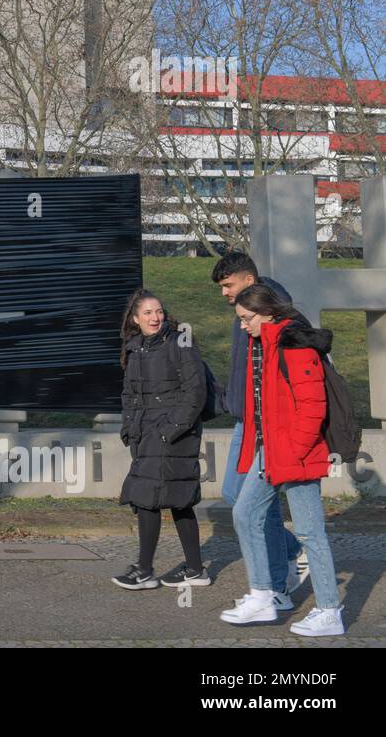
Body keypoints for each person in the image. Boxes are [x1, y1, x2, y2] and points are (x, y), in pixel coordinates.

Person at [221, 283, 344, 636]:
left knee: (310, 532)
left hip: (296, 454)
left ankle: (330, 611)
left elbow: (313, 406)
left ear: (267, 312)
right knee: (244, 512)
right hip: (271, 451)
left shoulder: (294, 343)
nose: (243, 326)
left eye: (246, 319)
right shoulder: (265, 343)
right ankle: (264, 594)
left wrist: (292, 451)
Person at [212, 250, 305, 607]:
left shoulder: (269, 311)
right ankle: (293, 548)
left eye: (227, 285)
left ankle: (276, 585)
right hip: (244, 420)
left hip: (264, 424)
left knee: (252, 503)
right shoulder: (246, 313)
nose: (224, 293)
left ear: (249, 280)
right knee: (236, 496)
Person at [112, 289, 210, 590]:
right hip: (146, 434)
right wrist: (129, 428)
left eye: (159, 311)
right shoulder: (135, 347)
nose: (155, 317)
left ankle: (144, 569)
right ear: (135, 318)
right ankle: (194, 569)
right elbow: (130, 394)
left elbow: (195, 391)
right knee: (174, 500)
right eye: (148, 313)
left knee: (150, 499)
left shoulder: (179, 341)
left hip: (173, 434)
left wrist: (171, 428)